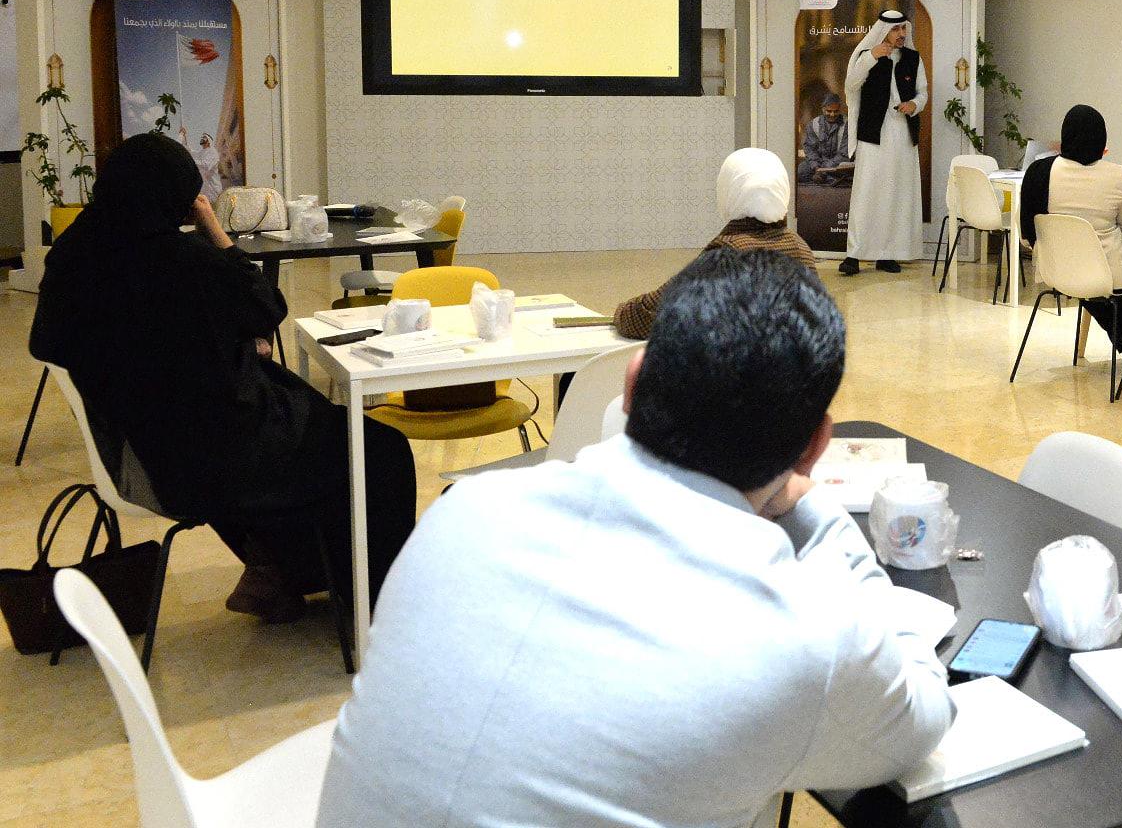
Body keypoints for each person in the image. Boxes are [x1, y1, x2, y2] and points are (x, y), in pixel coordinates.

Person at [316, 249, 956, 828]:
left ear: (632, 382)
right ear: (814, 446)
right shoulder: (804, 641)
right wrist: (814, 511)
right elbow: (921, 718)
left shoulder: (461, 514)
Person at [29, 132, 416, 620]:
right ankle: (381, 604)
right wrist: (215, 230)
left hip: (141, 449)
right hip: (213, 455)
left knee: (317, 435)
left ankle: (279, 576)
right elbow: (267, 305)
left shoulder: (72, 256)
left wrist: (194, 350)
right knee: (377, 449)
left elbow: (55, 342)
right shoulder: (183, 261)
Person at [1019, 105, 1122, 379]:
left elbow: (1027, 232)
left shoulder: (1039, 171)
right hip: (1110, 271)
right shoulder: (1117, 174)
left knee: (1094, 288)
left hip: (1057, 268)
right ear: (1102, 139)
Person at [614, 147, 816, 339]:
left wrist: (621, 313)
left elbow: (651, 315)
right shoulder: (800, 247)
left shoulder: (729, 253)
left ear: (729, 190)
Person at [841, 9, 927, 275]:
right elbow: (850, 86)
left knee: (897, 193)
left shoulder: (913, 58)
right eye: (895, 29)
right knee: (867, 193)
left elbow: (923, 93)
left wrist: (914, 104)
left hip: (902, 134)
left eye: (903, 28)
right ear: (883, 31)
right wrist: (871, 58)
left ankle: (888, 254)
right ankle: (854, 255)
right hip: (873, 134)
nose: (901, 34)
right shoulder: (866, 56)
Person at [797, 92, 852, 185]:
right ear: (823, 109)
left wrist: (824, 169)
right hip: (818, 165)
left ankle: (825, 178)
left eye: (836, 111)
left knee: (847, 170)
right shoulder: (813, 124)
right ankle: (829, 179)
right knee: (800, 172)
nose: (832, 114)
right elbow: (810, 149)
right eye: (829, 111)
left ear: (840, 109)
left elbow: (844, 153)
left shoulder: (847, 125)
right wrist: (816, 166)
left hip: (838, 164)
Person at [195, 132, 223, 203]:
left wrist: (193, 161)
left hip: (212, 186)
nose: (202, 139)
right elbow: (191, 152)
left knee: (214, 204)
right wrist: (184, 137)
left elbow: (206, 165)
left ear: (209, 141)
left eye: (204, 138)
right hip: (204, 186)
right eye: (202, 137)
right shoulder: (202, 152)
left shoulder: (213, 152)